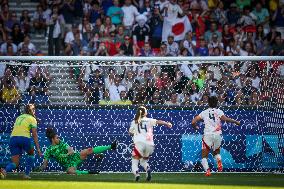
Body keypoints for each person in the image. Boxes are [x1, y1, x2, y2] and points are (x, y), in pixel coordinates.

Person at [191, 96, 240, 176]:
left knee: (204, 155)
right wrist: (235, 121)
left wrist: (195, 127)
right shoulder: (219, 111)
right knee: (216, 152)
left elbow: (193, 122)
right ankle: (219, 163)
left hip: (207, 135)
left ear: (208, 103)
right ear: (217, 103)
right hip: (217, 135)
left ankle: (207, 171)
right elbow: (226, 119)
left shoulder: (204, 112)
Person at [38, 128, 118, 175]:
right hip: (69, 164)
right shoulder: (49, 150)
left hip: (75, 156)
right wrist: (40, 168)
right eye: (57, 138)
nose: (58, 139)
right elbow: (45, 164)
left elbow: (70, 150)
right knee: (70, 171)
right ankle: (89, 172)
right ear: (52, 139)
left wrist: (67, 154)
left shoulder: (61, 143)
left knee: (88, 150)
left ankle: (111, 146)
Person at [129, 106, 172, 181]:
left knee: (134, 161)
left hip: (139, 143)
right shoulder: (149, 120)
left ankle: (137, 174)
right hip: (150, 144)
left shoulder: (134, 121)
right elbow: (158, 121)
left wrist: (135, 134)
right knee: (143, 161)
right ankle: (147, 169)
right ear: (145, 113)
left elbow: (130, 132)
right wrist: (167, 123)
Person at [1, 104, 42, 179]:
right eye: (34, 109)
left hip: (13, 139)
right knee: (31, 153)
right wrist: (38, 149)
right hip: (24, 138)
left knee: (15, 163)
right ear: (32, 110)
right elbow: (34, 134)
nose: (35, 111)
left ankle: (4, 170)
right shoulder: (32, 119)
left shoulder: (19, 117)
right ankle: (26, 174)